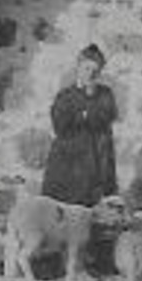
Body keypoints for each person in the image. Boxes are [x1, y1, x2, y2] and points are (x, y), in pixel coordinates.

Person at [41, 43, 118, 206]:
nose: (90, 74)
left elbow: (107, 115)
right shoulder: (65, 95)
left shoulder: (105, 94)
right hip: (68, 160)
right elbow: (60, 125)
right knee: (63, 207)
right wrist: (85, 116)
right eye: (87, 68)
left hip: (97, 159)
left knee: (92, 210)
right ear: (78, 67)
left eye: (95, 71)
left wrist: (85, 110)